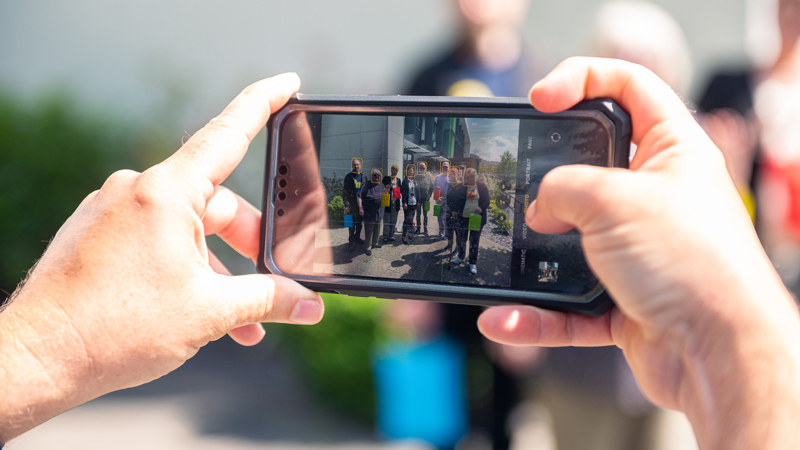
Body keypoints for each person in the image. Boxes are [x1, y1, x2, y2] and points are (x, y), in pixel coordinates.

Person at [3, 60, 800, 450]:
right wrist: (51, 348)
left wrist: (48, 348)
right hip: (426, 233)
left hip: (453, 233)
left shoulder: (455, 184)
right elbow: (386, 202)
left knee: (456, 255)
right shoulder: (392, 177)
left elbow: (448, 203)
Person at [447, 168, 489, 275]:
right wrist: (454, 210)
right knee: (461, 239)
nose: (468, 179)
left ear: (475, 176)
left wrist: (481, 207)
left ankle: (472, 262)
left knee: (474, 241)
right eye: (466, 177)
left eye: (470, 177)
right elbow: (455, 198)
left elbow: (487, 201)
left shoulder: (481, 186)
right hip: (462, 217)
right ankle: (461, 257)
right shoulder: (463, 186)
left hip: (476, 218)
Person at [358, 168, 385, 256]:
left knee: (377, 229)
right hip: (369, 212)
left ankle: (375, 244)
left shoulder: (382, 185)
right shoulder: (366, 184)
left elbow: (385, 197)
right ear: (371, 176)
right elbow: (359, 195)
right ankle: (367, 247)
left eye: (378, 175)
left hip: (379, 212)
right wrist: (361, 207)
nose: (376, 176)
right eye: (375, 175)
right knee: (369, 231)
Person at [343, 158, 364, 246]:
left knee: (359, 223)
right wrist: (346, 205)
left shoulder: (363, 177)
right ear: (352, 166)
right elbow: (345, 191)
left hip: (360, 205)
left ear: (360, 165)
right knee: (350, 225)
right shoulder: (348, 177)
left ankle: (357, 238)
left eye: (357, 164)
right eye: (354, 165)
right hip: (351, 204)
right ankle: (351, 241)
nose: (356, 166)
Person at [382, 164, 403, 243]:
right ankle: (385, 236)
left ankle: (392, 235)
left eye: (396, 170)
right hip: (387, 202)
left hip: (395, 202)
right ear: (391, 170)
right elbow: (382, 189)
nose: (395, 172)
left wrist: (399, 195)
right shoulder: (386, 178)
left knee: (393, 220)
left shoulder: (398, 180)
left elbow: (400, 190)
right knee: (386, 220)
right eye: (393, 170)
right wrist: (387, 187)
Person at [433, 161, 452, 240]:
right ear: (442, 168)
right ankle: (441, 231)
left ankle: (446, 233)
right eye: (444, 167)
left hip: (447, 201)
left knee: (446, 217)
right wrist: (435, 188)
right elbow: (433, 187)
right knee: (439, 216)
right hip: (438, 200)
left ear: (448, 168)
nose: (445, 168)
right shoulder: (437, 177)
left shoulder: (450, 177)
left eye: (446, 167)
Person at [401, 165, 418, 245]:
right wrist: (404, 202)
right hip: (407, 203)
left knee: (411, 219)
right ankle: (404, 236)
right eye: (409, 171)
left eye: (412, 171)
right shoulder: (405, 181)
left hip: (414, 203)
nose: (411, 172)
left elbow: (416, 192)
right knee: (407, 219)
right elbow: (403, 193)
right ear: (407, 172)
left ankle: (410, 233)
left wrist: (418, 201)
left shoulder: (414, 181)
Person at [415, 162, 434, 235]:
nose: (422, 169)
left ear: (425, 168)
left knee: (425, 215)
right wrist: (417, 200)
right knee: (418, 215)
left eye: (423, 168)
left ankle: (425, 229)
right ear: (419, 169)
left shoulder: (428, 177)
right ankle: (418, 229)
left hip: (426, 199)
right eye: (421, 168)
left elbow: (431, 187)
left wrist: (429, 194)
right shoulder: (416, 177)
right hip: (419, 200)